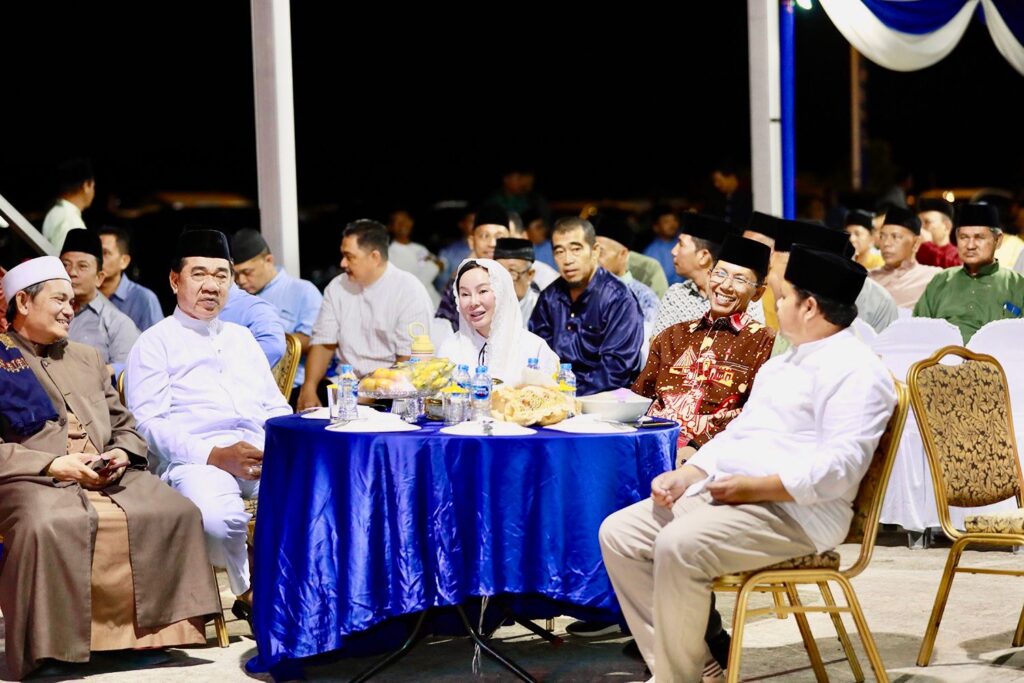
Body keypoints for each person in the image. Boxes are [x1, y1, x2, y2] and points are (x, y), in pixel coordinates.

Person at [599, 245, 896, 683]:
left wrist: (754, 488)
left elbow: (841, 467)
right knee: (621, 533)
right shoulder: (785, 364)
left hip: (799, 511)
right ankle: (692, 667)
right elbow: (738, 435)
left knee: (678, 544)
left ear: (809, 307)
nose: (775, 305)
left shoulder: (858, 371)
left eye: (783, 297)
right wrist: (690, 474)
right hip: (738, 497)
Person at [0, 256, 221, 679]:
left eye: (71, 302)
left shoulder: (86, 356)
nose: (69, 310)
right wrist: (54, 464)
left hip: (106, 471)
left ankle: (147, 638)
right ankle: (53, 651)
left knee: (174, 511)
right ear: (24, 303)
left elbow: (125, 424)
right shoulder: (1, 358)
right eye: (59, 300)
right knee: (49, 524)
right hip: (31, 477)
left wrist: (122, 453)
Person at [124, 230, 292, 625]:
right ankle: (252, 591)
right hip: (197, 460)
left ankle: (298, 588)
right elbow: (148, 424)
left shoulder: (242, 339)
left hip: (260, 454)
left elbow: (275, 405)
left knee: (318, 497)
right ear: (174, 280)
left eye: (221, 275)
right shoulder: (154, 343)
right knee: (217, 520)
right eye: (199, 274)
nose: (212, 285)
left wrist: (282, 446)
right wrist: (215, 455)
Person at [635, 236, 775, 459]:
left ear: (758, 293)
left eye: (740, 279)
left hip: (713, 457)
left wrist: (698, 446)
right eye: (720, 274)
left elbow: (756, 413)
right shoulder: (671, 336)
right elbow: (639, 397)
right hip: (649, 445)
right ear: (709, 276)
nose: (725, 285)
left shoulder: (764, 343)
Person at [299, 219, 434, 409]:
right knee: (304, 399)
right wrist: (309, 387)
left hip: (392, 391)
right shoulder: (337, 287)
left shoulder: (409, 290)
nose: (343, 263)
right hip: (345, 384)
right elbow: (323, 342)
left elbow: (409, 362)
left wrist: (369, 392)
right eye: (343, 255)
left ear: (375, 257)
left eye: (349, 256)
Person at [528, 217, 644, 395]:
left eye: (576, 249)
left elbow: (615, 371)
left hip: (605, 400)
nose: (567, 260)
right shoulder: (549, 297)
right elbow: (536, 354)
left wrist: (571, 395)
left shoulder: (619, 299)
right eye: (559, 251)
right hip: (554, 396)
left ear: (595, 251)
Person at [230, 228, 323, 400]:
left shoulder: (302, 291)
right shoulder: (234, 298)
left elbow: (316, 342)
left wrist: (270, 340)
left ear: (269, 260)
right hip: (243, 390)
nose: (241, 280)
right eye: (236, 274)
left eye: (247, 272)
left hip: (291, 390)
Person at [915, 203, 1024, 342]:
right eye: (964, 237)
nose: (970, 245)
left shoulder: (1016, 285)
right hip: (943, 355)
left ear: (998, 240)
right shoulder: (941, 281)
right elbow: (917, 333)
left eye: (979, 237)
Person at [438, 259, 558, 384]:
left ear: (502, 293)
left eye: (482, 291)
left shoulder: (534, 348)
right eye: (465, 294)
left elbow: (553, 394)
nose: (473, 302)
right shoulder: (450, 349)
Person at [652, 213, 768, 339]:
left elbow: (753, 342)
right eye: (720, 274)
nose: (673, 251)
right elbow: (658, 343)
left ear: (703, 256)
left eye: (681, 244)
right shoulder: (676, 294)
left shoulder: (744, 298)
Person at [59, 229, 140, 377]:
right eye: (65, 265)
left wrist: (102, 372)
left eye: (82, 266)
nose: (72, 273)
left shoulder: (117, 323)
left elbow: (131, 370)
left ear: (99, 278)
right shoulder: (46, 315)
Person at [436, 205, 511, 331]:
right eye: (485, 236)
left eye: (499, 237)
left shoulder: (524, 280)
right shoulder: (457, 285)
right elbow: (442, 327)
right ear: (472, 241)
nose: (492, 244)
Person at [868, 206, 942, 309]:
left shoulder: (932, 277)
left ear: (916, 243)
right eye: (882, 236)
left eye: (895, 237)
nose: (886, 243)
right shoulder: (869, 279)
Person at [594, 214, 660, 325]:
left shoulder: (644, 298)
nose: (593, 259)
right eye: (592, 252)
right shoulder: (583, 292)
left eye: (600, 253)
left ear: (623, 254)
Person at [97, 225, 165, 331]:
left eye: (105, 253)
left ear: (124, 261)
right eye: (95, 253)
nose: (98, 259)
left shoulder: (144, 299)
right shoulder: (83, 294)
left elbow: (156, 339)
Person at [387, 208, 443, 307]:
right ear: (390, 227)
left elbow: (441, 264)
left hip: (435, 303)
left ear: (411, 222)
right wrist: (433, 267)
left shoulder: (418, 248)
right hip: (413, 307)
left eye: (405, 220)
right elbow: (412, 286)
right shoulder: (389, 255)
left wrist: (434, 265)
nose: (402, 224)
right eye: (397, 221)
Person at [41, 158, 94, 250]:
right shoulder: (70, 221)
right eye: (93, 186)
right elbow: (66, 258)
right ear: (86, 186)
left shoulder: (55, 212)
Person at [494, 237, 541, 323]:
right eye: (500, 272)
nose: (505, 280)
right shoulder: (484, 305)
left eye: (512, 272)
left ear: (530, 274)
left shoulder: (543, 308)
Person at [643, 205, 684, 286]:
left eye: (674, 220)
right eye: (666, 222)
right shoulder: (652, 252)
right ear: (656, 227)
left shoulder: (684, 239)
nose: (672, 225)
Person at [435, 208, 475, 292]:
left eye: (478, 222)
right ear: (461, 224)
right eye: (472, 221)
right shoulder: (447, 253)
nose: (476, 225)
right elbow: (442, 287)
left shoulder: (491, 249)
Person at [915, 199, 961, 268]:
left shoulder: (960, 255)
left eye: (927, 222)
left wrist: (926, 244)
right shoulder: (916, 253)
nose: (920, 228)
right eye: (918, 223)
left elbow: (957, 269)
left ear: (947, 226)